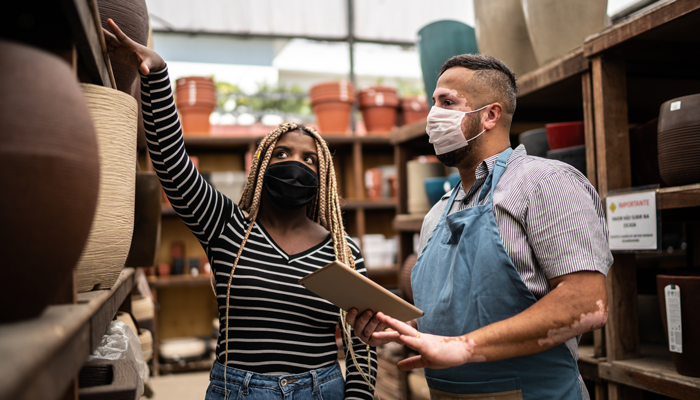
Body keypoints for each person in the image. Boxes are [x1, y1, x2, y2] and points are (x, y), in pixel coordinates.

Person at [103, 19, 377, 400]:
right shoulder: (226, 225)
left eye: (309, 159)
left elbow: (364, 343)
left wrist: (358, 396)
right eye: (281, 153)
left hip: (322, 389)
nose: (295, 162)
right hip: (239, 391)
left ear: (324, 175)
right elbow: (172, 164)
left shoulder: (344, 251)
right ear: (261, 164)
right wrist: (157, 76)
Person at [347, 54, 613, 400]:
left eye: (447, 102)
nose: (433, 116)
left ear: (490, 115)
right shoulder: (437, 214)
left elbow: (586, 303)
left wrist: (464, 347)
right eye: (433, 103)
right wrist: (402, 329)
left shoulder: (545, 184)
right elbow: (450, 316)